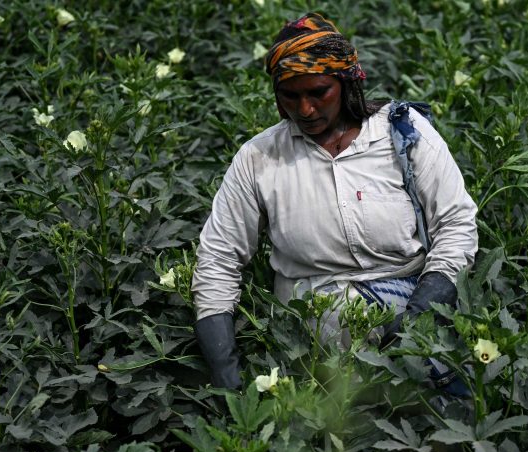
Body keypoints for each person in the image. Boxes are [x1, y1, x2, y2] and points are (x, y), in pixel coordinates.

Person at [191, 12, 478, 390]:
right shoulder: (259, 159)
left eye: (318, 92)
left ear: (346, 83)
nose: (305, 110)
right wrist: (226, 375)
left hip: (413, 299)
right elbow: (220, 259)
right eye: (290, 96)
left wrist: (419, 316)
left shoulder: (402, 134)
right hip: (314, 324)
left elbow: (455, 224)